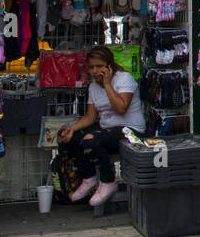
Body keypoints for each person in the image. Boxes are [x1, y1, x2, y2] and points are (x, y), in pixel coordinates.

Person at [59, 46, 146, 206]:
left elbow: (121, 108)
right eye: (91, 67)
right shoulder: (93, 86)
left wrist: (107, 84)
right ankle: (89, 178)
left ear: (109, 65)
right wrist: (71, 129)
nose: (95, 71)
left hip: (131, 131)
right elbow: (90, 117)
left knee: (91, 140)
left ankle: (108, 181)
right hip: (107, 131)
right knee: (68, 137)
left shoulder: (124, 78)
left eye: (99, 66)